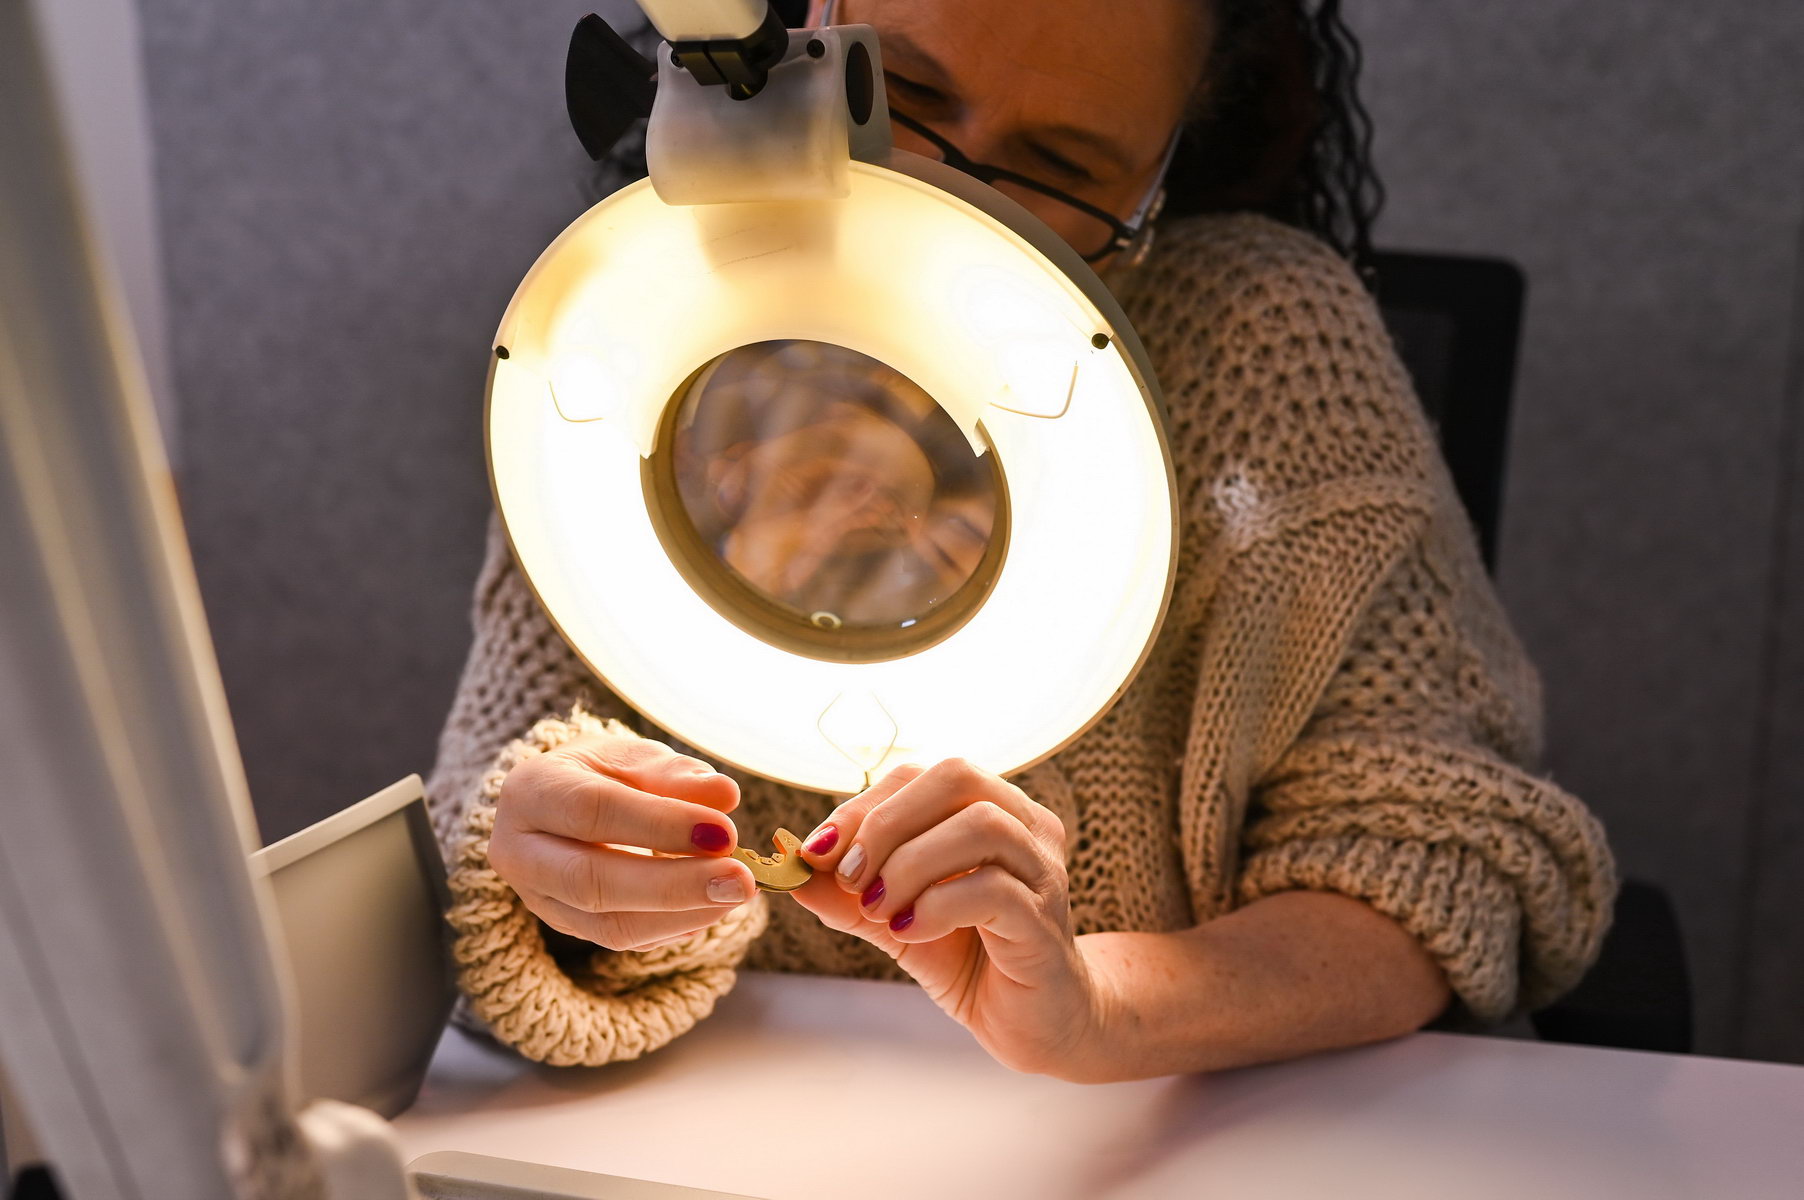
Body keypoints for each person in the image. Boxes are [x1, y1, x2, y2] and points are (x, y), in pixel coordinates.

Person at [426, 0, 1617, 1080]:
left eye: (1060, 166)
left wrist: (1103, 1009)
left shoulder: (1268, 347)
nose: (953, 192)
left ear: (1157, 183)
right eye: (906, 95)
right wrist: (548, 878)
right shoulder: (635, 345)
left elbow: (1441, 861)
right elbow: (483, 830)